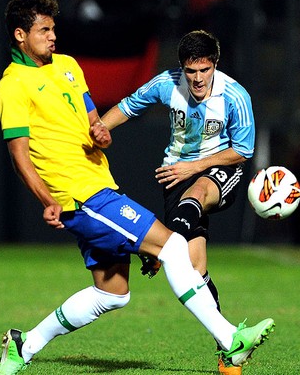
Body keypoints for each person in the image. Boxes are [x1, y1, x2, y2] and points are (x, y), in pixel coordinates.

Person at [0, 0, 274, 375]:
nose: (53, 36)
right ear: (20, 35)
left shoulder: (67, 66)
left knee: (112, 294)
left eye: (54, 28)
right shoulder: (12, 86)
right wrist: (47, 199)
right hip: (81, 196)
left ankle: (24, 345)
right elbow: (19, 153)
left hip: (98, 186)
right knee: (174, 247)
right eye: (45, 30)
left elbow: (93, 121)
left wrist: (100, 133)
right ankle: (230, 340)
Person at [101, 29, 256, 374]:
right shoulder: (166, 84)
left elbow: (243, 151)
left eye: (205, 70)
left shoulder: (235, 95)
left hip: (218, 170)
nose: (198, 78)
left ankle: (159, 248)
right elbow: (128, 106)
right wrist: (97, 131)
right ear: (182, 68)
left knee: (197, 194)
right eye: (191, 71)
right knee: (195, 270)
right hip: (176, 175)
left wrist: (197, 165)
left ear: (215, 64)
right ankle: (229, 345)